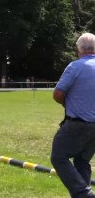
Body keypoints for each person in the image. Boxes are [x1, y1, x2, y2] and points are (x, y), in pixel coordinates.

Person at [51, 33, 95, 198]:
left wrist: (66, 103)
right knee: (82, 161)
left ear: (79, 49)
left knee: (58, 156)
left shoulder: (74, 67)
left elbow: (57, 94)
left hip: (77, 124)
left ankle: (84, 194)